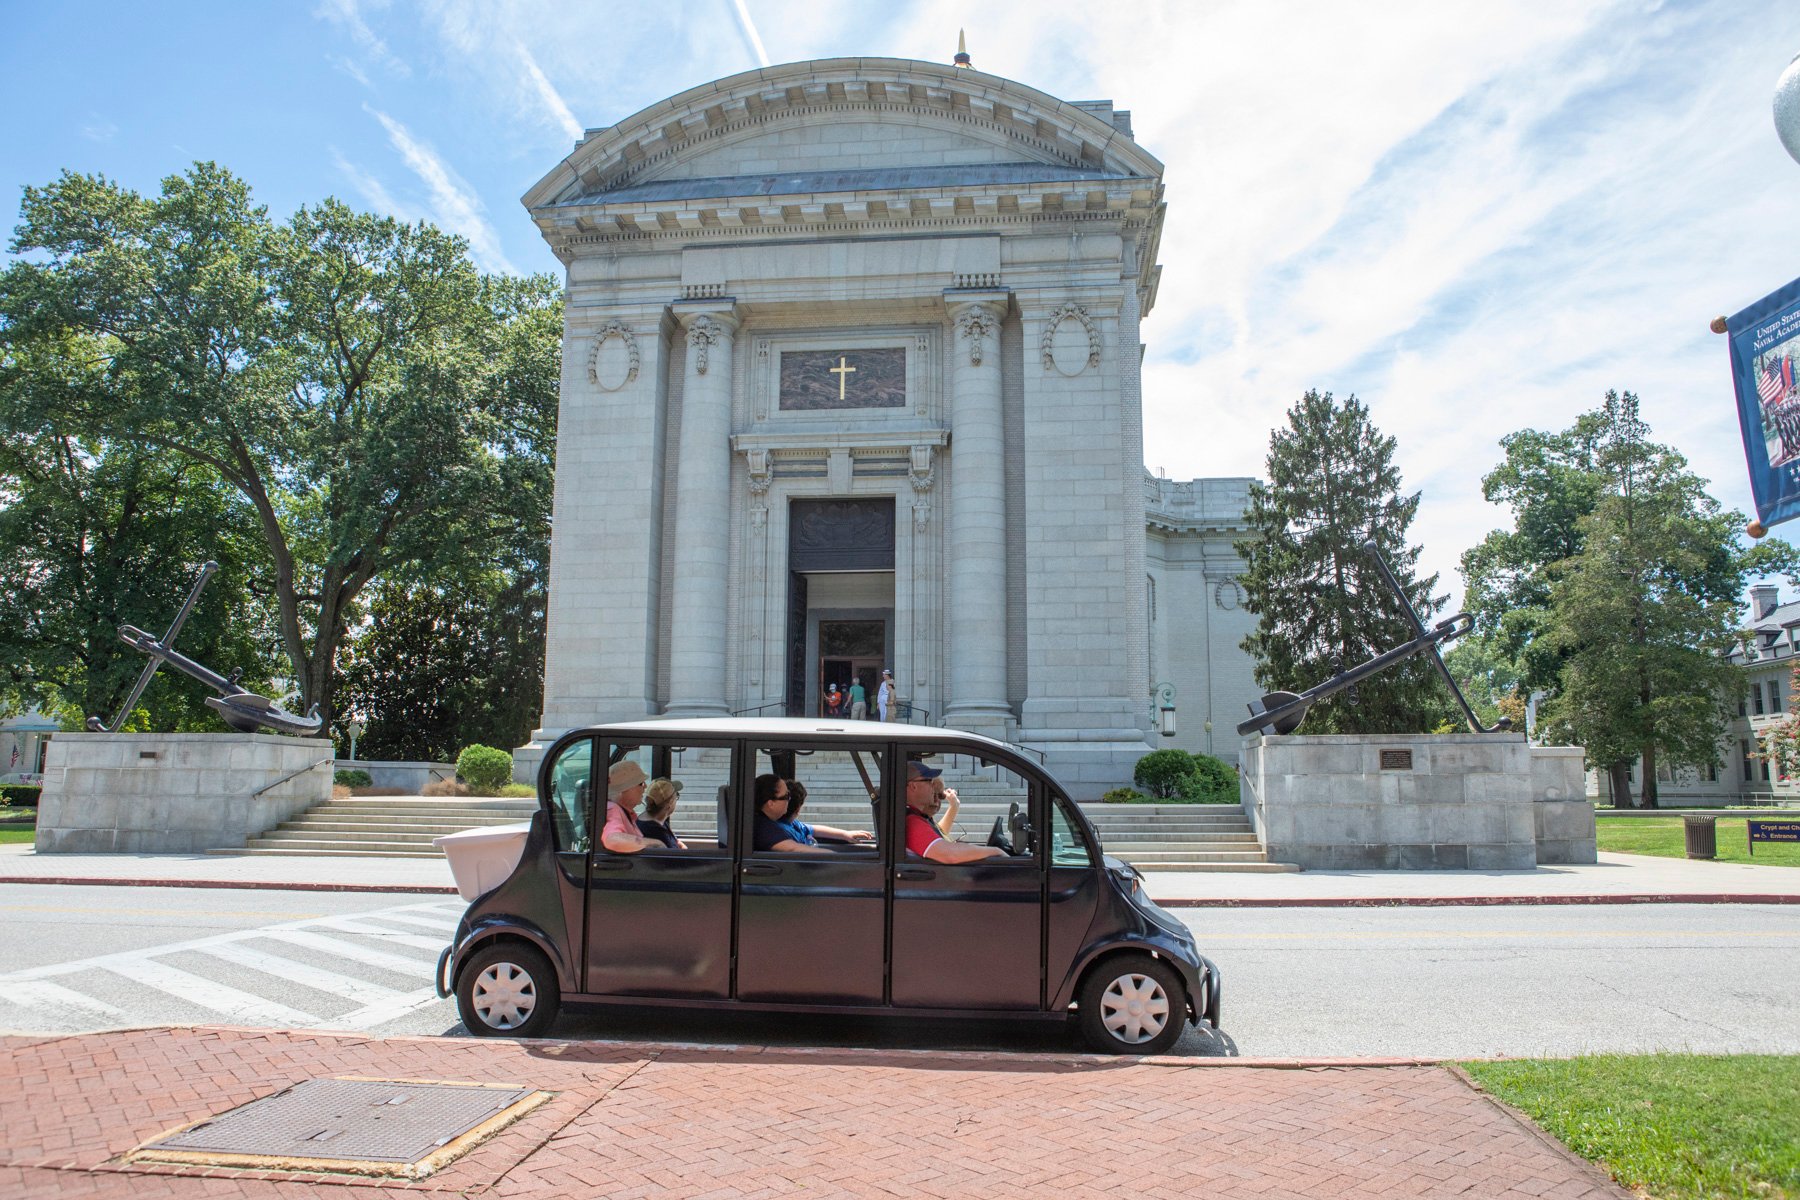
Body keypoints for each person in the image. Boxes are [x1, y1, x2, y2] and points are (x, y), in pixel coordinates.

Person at [903, 760, 1005, 863]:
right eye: (929, 781)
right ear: (913, 786)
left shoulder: (918, 817)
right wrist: (995, 851)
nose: (933, 787)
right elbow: (949, 854)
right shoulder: (913, 822)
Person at [778, 778, 874, 846]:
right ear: (798, 809)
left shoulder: (793, 824)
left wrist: (845, 834)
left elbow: (814, 829)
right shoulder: (782, 832)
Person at [751, 773, 830, 853]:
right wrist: (835, 856)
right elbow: (793, 849)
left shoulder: (764, 822)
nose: (790, 799)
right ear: (771, 803)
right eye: (786, 796)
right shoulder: (763, 827)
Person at [601, 761, 660, 853]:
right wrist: (656, 843)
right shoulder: (613, 809)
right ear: (624, 789)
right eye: (640, 783)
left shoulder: (625, 812)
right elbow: (612, 840)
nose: (645, 787)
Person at [638, 778, 687, 849]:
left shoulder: (660, 821)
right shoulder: (656, 833)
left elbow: (677, 843)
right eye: (676, 796)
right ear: (669, 803)